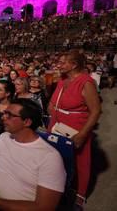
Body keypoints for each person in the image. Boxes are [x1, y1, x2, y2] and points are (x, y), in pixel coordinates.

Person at [48, 51, 101, 207]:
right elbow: (53, 101)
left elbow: (96, 110)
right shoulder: (62, 79)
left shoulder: (86, 82)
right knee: (57, 158)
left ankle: (80, 194)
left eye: (63, 62)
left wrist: (83, 134)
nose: (59, 65)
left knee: (80, 161)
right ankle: (60, 188)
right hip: (57, 123)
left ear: (74, 65)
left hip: (76, 126)